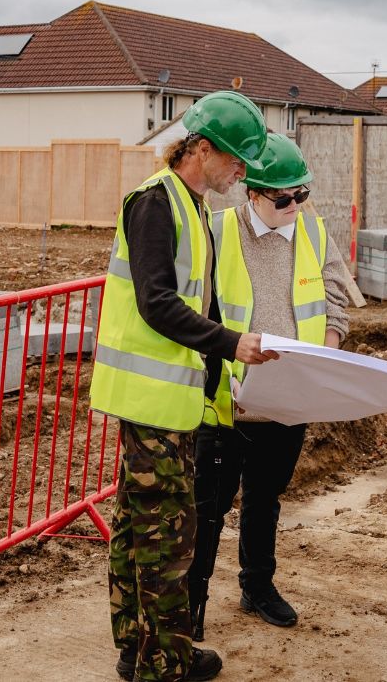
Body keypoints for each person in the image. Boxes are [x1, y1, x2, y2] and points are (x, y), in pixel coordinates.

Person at [89, 90, 277, 682]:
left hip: (168, 397)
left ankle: (136, 646)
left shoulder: (191, 206)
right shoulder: (155, 204)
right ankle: (163, 663)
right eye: (238, 160)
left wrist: (227, 374)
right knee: (168, 535)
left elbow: (200, 300)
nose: (243, 171)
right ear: (202, 149)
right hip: (150, 400)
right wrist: (230, 343)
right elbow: (156, 303)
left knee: (140, 525)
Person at [187, 134, 352, 639]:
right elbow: (194, 314)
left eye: (301, 195)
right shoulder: (215, 232)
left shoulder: (314, 232)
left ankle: (257, 586)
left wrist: (325, 350)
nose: (295, 206)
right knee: (208, 509)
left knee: (266, 499)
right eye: (283, 199)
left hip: (287, 402)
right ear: (250, 193)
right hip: (226, 403)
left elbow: (334, 300)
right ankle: (190, 601)